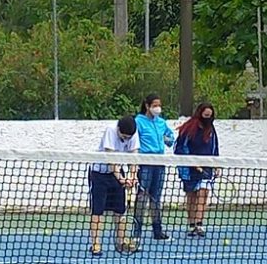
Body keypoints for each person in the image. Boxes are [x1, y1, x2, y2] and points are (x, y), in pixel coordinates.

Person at [89, 115, 140, 256]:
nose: (126, 140)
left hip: (118, 173)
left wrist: (132, 176)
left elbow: (134, 157)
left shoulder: (134, 134)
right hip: (99, 173)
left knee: (120, 210)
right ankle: (96, 245)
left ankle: (122, 241)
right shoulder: (110, 130)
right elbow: (111, 159)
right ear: (118, 129)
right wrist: (122, 179)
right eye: (123, 137)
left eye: (128, 138)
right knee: (98, 210)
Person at [134, 94, 176, 241]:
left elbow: (171, 140)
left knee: (156, 197)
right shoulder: (138, 122)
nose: (158, 108)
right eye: (155, 105)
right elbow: (133, 142)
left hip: (160, 162)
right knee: (142, 196)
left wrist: (168, 139)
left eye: (159, 104)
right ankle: (136, 231)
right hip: (145, 163)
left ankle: (157, 230)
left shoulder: (162, 123)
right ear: (147, 106)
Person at [174, 102, 219, 237]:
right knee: (191, 195)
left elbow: (214, 147)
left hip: (207, 167)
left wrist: (216, 164)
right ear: (200, 114)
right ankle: (192, 224)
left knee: (203, 194)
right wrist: (193, 163)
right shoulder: (188, 129)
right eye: (205, 115)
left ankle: (199, 224)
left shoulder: (211, 129)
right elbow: (180, 148)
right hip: (189, 168)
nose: (207, 118)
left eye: (209, 116)